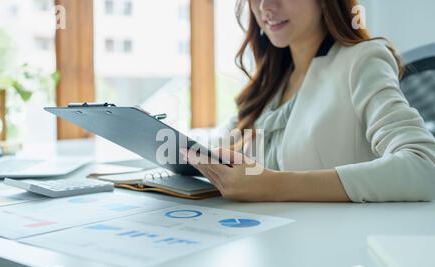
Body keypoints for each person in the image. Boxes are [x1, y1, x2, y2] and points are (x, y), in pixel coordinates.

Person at [182, 0, 435, 203]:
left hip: (337, 252)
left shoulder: (361, 60)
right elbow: (214, 150)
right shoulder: (268, 84)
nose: (265, 6)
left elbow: (424, 167)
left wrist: (272, 186)